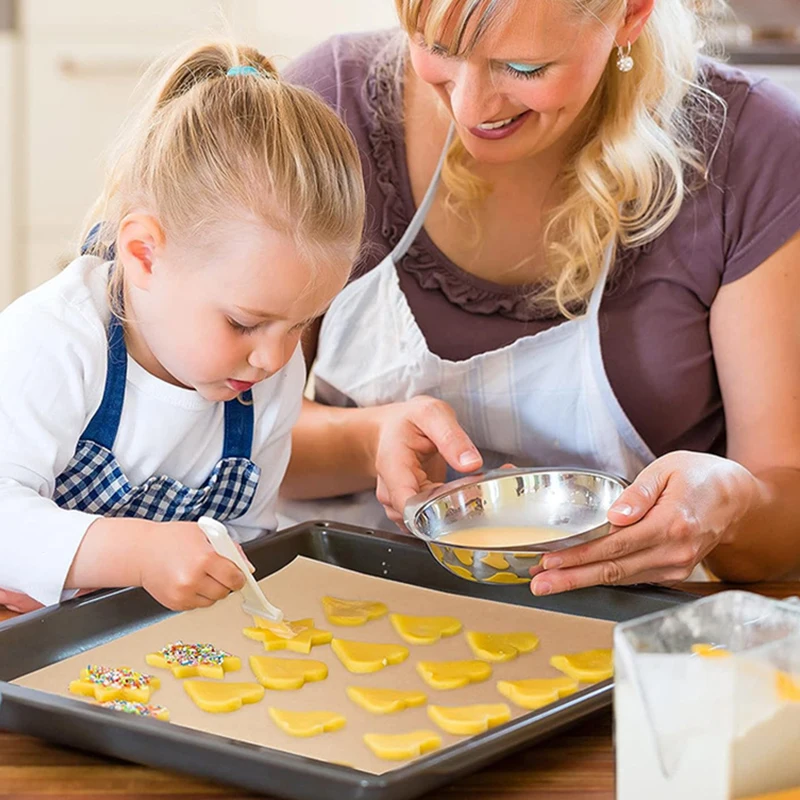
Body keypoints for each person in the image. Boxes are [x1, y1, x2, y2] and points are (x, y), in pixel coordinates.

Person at [280, 0, 800, 593]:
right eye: (438, 49)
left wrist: (730, 507)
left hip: (629, 648)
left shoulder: (755, 153)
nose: (470, 109)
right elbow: (220, 444)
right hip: (351, 618)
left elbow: (783, 531)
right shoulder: (330, 107)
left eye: (524, 68)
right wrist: (370, 441)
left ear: (630, 14)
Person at [0, 41, 364, 613]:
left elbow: (242, 542)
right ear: (144, 254)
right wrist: (138, 553)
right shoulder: (54, 342)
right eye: (245, 323)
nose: (274, 357)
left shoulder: (266, 376)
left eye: (301, 324)